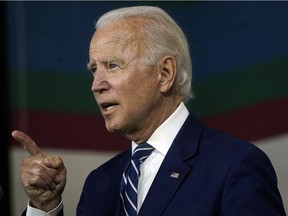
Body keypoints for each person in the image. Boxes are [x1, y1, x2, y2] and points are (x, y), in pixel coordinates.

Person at [12, 5, 286, 216]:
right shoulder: (100, 183)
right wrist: (44, 206)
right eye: (93, 70)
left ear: (165, 73)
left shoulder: (235, 165)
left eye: (112, 66)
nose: (96, 85)